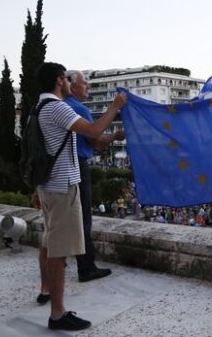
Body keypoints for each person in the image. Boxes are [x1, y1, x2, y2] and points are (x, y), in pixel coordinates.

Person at [31, 62, 127, 331]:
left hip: (49, 185)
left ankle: (49, 294)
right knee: (59, 251)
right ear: (61, 81)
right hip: (63, 187)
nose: (69, 83)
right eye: (65, 79)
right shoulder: (57, 107)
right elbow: (94, 133)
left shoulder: (37, 107)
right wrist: (115, 107)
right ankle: (58, 314)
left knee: (50, 244)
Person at [65, 70, 125, 282]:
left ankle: (59, 262)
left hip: (60, 170)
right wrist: (115, 106)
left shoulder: (59, 107)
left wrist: (115, 136)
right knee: (83, 220)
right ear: (72, 86)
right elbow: (95, 140)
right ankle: (86, 267)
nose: (88, 87)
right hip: (78, 167)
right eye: (85, 84)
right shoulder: (78, 108)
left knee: (65, 219)